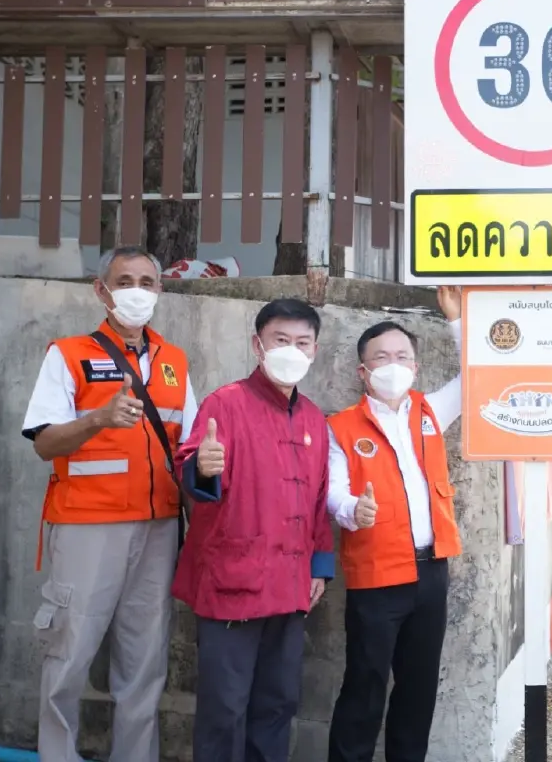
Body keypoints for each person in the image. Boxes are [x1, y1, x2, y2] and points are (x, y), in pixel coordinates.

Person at [22, 246, 197, 762]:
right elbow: (43, 443)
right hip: (87, 526)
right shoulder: (69, 353)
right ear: (102, 290)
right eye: (125, 281)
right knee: (70, 653)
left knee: (145, 662)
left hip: (158, 527)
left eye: (146, 281)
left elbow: (186, 447)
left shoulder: (175, 362)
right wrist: (97, 418)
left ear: (159, 291)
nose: (137, 291)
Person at [172, 298, 334, 762]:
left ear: (315, 350)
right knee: (225, 708)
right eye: (280, 340)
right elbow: (192, 465)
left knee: (278, 703)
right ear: (257, 345)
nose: (291, 349)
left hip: (291, 585)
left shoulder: (314, 420)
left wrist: (319, 566)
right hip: (232, 582)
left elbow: (319, 501)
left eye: (302, 342)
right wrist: (202, 467)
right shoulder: (226, 403)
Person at [326, 287, 463, 762]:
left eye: (402, 355)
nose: (392, 364)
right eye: (380, 356)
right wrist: (351, 511)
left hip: (431, 573)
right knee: (363, 687)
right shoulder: (341, 426)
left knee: (418, 689)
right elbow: (334, 490)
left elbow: (477, 377)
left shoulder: (430, 412)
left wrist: (456, 320)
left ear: (415, 367)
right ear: (363, 371)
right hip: (376, 575)